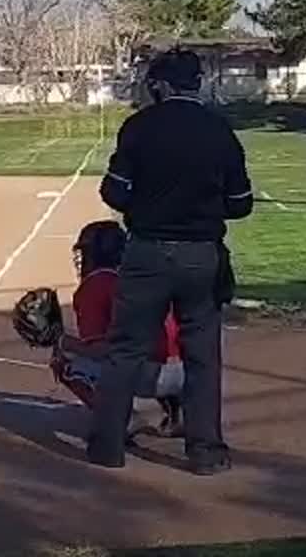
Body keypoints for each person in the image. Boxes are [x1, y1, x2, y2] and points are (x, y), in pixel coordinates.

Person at [88, 49, 252, 474]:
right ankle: (206, 453)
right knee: (203, 355)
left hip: (147, 251)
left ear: (160, 85)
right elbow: (241, 204)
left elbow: (113, 192)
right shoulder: (219, 130)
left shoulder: (139, 127)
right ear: (197, 83)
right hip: (202, 255)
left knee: (125, 349)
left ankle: (107, 448)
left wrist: (147, 205)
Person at [50, 221, 184, 438]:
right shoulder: (146, 271)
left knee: (65, 360)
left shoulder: (95, 284)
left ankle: (125, 419)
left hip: (149, 375)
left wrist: (60, 340)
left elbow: (100, 350)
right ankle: (182, 415)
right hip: (191, 372)